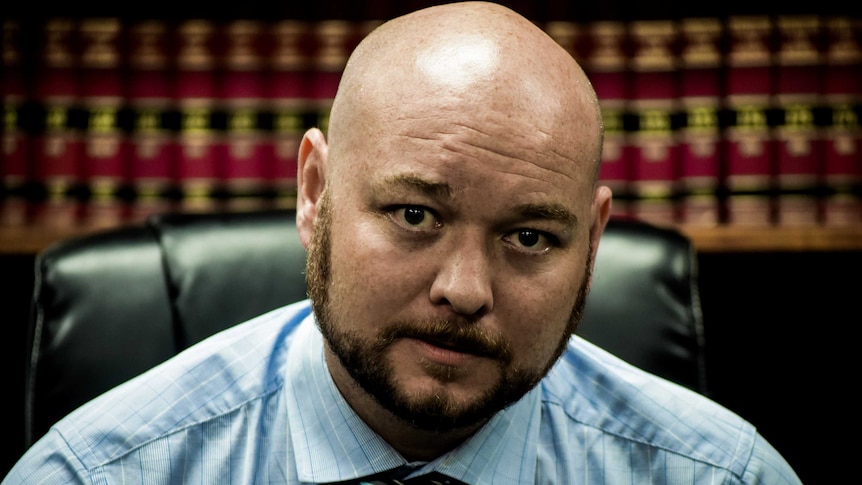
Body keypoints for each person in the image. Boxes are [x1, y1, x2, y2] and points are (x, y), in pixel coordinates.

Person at [4, 2, 801, 484]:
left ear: (592, 241)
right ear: (314, 193)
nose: (465, 289)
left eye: (530, 235)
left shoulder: (722, 473)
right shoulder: (96, 472)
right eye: (416, 215)